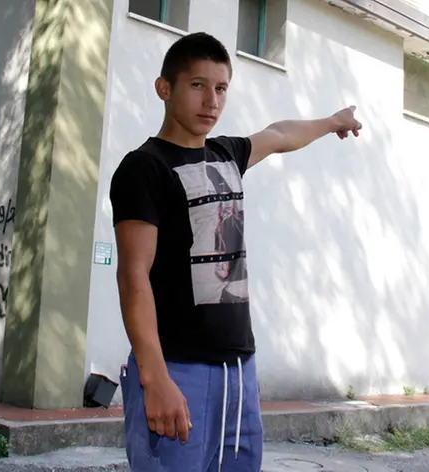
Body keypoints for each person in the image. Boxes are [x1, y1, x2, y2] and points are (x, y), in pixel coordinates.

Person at [109, 31, 362, 472]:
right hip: (179, 369)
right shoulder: (144, 168)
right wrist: (155, 377)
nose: (211, 100)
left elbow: (280, 134)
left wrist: (332, 121)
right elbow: (133, 277)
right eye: (197, 85)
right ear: (164, 88)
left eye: (221, 88)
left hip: (238, 371)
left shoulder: (226, 154)